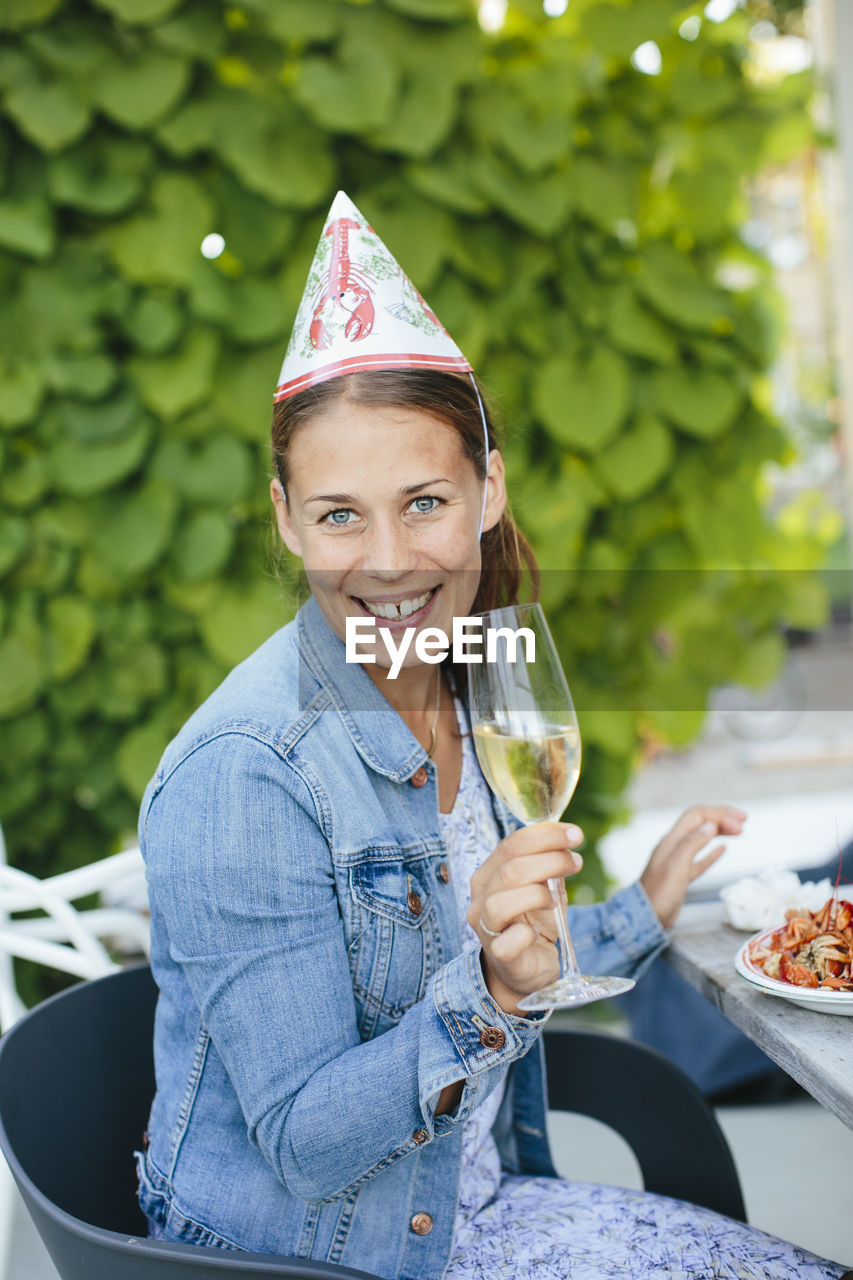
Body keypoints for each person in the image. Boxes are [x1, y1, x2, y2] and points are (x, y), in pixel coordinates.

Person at [136, 193, 851, 1280]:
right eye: (339, 515)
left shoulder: (473, 671)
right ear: (286, 517)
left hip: (475, 1208)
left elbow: (495, 952)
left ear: (487, 489)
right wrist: (494, 991)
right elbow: (304, 1140)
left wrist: (629, 917)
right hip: (327, 1256)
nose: (384, 561)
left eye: (423, 501)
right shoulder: (247, 771)